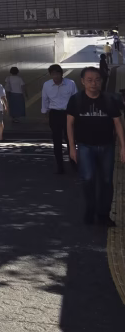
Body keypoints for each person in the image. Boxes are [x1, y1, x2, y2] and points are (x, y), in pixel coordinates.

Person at [67, 66, 125, 226]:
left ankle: (103, 215)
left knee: (106, 181)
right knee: (88, 179)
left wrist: (123, 146)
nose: (94, 83)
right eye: (90, 80)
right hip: (85, 147)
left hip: (107, 146)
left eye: (97, 80)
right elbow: (69, 124)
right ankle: (90, 210)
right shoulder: (76, 100)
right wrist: (72, 147)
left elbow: (118, 123)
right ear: (83, 82)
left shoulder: (109, 100)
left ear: (102, 81)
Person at [41, 65, 78, 174]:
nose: (55, 76)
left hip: (68, 114)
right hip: (55, 114)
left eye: (57, 73)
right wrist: (45, 113)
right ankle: (60, 166)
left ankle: (74, 163)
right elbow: (45, 100)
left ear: (62, 74)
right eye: (53, 74)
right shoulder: (47, 85)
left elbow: (75, 99)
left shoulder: (70, 83)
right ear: (50, 75)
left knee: (70, 139)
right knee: (56, 141)